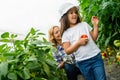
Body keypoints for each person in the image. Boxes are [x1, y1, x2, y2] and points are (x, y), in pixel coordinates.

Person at [59, 2, 106, 80]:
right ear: (65, 16)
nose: (74, 14)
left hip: (96, 57)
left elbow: (94, 38)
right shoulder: (66, 33)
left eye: (75, 12)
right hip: (83, 62)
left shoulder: (84, 24)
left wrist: (95, 25)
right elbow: (67, 51)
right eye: (71, 13)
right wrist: (78, 43)